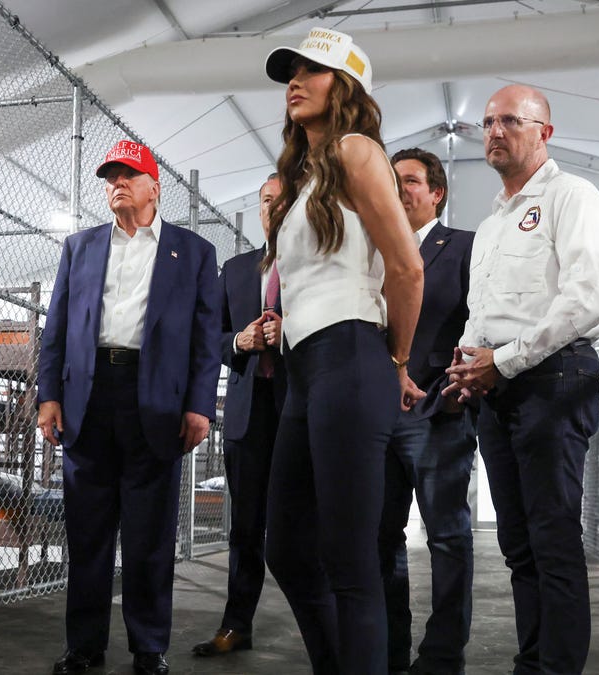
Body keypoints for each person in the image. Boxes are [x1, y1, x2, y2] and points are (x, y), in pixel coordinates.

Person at [261, 28, 425, 674]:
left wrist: (399, 360)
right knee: (286, 548)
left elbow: (407, 269)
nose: (295, 81)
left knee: (352, 561)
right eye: (291, 72)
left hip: (354, 355)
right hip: (308, 369)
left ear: (346, 85)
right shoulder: (303, 178)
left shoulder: (358, 152)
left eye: (313, 70)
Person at [443, 84, 599, 675]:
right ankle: (532, 661)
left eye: (511, 120)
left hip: (554, 376)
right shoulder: (490, 225)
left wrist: (506, 359)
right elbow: (482, 311)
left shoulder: (573, 197)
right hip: (499, 386)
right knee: (518, 544)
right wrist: (471, 363)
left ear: (545, 132)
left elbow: (586, 300)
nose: (495, 130)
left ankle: (556, 667)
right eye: (488, 122)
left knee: (553, 537)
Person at [37, 139, 221, 675]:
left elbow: (206, 341)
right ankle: (84, 646)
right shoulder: (80, 247)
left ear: (153, 188)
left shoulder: (193, 252)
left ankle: (149, 646)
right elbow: (56, 330)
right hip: (88, 396)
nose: (117, 182)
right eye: (111, 176)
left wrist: (199, 406)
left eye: (128, 174)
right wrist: (49, 396)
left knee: (149, 533)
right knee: (88, 531)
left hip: (156, 399)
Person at [378, 148, 476, 675]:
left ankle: (441, 657)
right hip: (378, 414)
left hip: (438, 410)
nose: (400, 189)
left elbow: (478, 320)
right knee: (381, 537)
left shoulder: (462, 247)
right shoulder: (375, 250)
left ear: (436, 192)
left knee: (446, 535)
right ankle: (391, 653)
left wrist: (456, 388)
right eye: (393, 181)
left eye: (411, 181)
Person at [191, 174, 287, 658]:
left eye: (281, 198)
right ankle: (236, 625)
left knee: (306, 528)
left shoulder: (318, 266)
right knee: (245, 527)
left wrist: (289, 333)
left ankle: (327, 626)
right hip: (250, 411)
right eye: (265, 200)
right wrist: (238, 342)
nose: (272, 207)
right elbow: (209, 336)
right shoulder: (234, 268)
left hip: (301, 409)